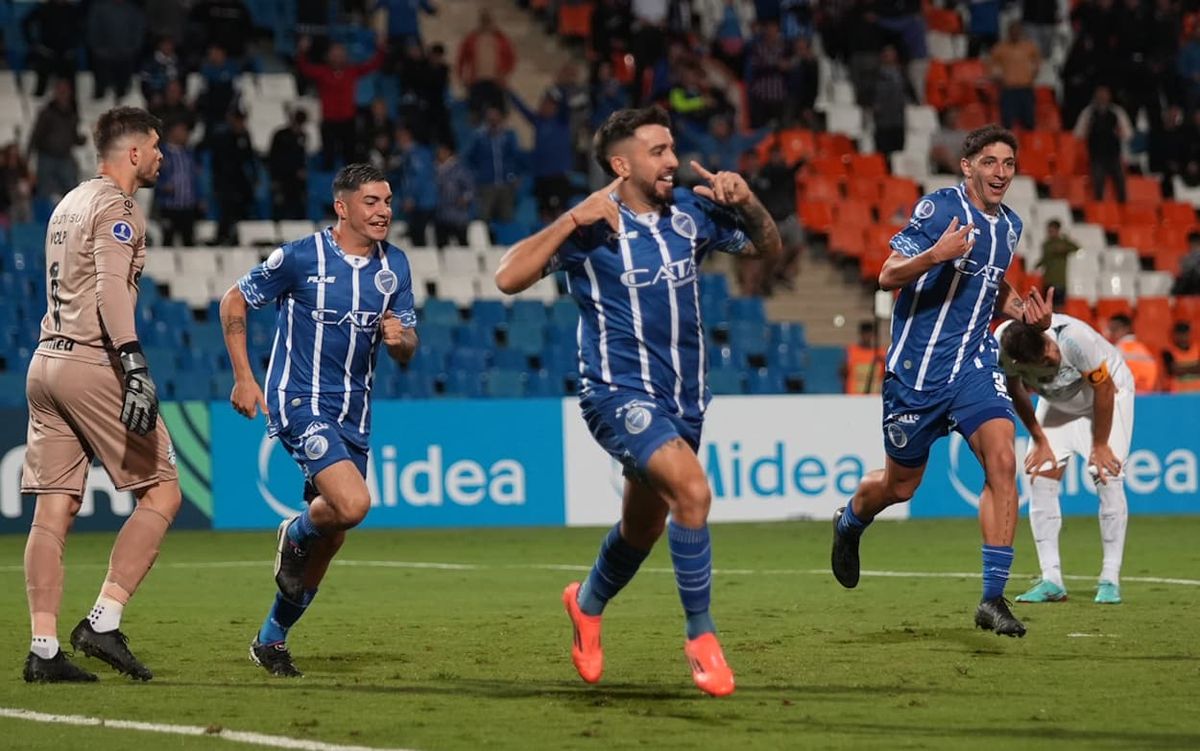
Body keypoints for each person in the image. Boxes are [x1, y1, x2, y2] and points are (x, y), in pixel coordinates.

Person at [494, 106, 781, 696]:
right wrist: (571, 218)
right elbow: (507, 277)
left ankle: (588, 602)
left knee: (641, 529)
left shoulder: (692, 214)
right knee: (695, 492)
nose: (672, 159)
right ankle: (701, 637)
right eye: (658, 151)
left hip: (685, 400)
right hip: (617, 394)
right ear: (621, 164)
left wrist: (746, 199)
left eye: (672, 147)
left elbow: (766, 249)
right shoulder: (591, 227)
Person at [830, 125, 1047, 638]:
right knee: (899, 486)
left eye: (1009, 163)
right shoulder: (940, 209)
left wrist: (1020, 309)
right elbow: (887, 275)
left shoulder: (1010, 226)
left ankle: (993, 597)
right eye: (990, 162)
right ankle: (850, 522)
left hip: (972, 366)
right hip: (916, 376)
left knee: (1002, 460)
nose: (1000, 172)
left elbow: (991, 282)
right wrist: (935, 255)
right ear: (967, 166)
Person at [219, 164, 419, 677]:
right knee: (353, 504)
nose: (384, 212)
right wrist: (245, 378)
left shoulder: (394, 266)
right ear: (343, 206)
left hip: (355, 414)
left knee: (333, 534)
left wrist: (401, 341)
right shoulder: (301, 256)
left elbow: (408, 346)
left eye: (388, 201)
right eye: (372, 202)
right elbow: (234, 298)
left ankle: (271, 639)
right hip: (300, 402)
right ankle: (294, 529)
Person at [21, 107, 178, 683]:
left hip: (46, 362)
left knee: (53, 509)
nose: (163, 156)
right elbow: (112, 290)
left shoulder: (67, 204)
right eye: (156, 147)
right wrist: (134, 363)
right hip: (93, 362)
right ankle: (103, 622)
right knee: (162, 493)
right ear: (133, 153)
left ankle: (43, 650)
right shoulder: (118, 208)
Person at [996, 314, 1133, 605]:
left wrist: (1099, 444)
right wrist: (1039, 440)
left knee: (1106, 475)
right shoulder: (1004, 347)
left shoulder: (1074, 339)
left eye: (1051, 349)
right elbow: (1015, 390)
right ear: (1021, 363)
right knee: (1039, 476)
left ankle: (1110, 578)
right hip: (1059, 403)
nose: (1053, 356)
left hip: (1109, 394)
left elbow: (1104, 388)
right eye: (1045, 361)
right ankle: (1051, 580)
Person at [1105, 313, 1160, 393]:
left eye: (1114, 329)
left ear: (1126, 328)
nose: (1110, 334)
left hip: (1125, 396)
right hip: (1146, 396)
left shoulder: (1117, 350)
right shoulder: (1145, 350)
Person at [1035, 219, 1080, 294]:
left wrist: (1065, 244)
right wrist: (1037, 265)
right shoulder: (1046, 244)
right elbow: (1045, 259)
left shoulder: (1063, 242)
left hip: (1060, 280)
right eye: (1049, 231)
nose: (1050, 233)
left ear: (1058, 230)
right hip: (1048, 280)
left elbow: (1076, 248)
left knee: (1059, 304)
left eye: (1052, 230)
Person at [842, 320, 886, 395]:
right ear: (860, 334)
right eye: (864, 333)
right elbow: (843, 373)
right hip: (854, 396)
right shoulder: (851, 351)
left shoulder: (880, 353)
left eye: (869, 334)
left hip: (874, 398)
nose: (867, 337)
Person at [1162, 321, 1200, 393]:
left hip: (1197, 396)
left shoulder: (1198, 349)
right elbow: (1174, 371)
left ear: (1189, 334)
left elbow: (1178, 370)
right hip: (1178, 397)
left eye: (1185, 333)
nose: (1183, 337)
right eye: (1180, 334)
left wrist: (1181, 368)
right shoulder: (1167, 352)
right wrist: (1195, 367)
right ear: (1174, 335)